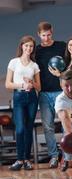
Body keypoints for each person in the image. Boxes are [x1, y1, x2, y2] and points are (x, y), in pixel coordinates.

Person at [36, 21, 72, 168]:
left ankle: (68, 157)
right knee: (48, 127)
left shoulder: (61, 46)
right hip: (44, 93)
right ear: (39, 35)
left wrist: (62, 73)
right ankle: (53, 156)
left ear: (52, 32)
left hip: (61, 93)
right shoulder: (36, 51)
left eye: (49, 35)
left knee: (66, 125)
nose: (46, 38)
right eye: (44, 35)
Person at [5, 35, 41, 170]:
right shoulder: (14, 62)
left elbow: (39, 87)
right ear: (22, 46)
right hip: (19, 97)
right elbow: (8, 84)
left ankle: (26, 159)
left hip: (32, 98)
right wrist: (22, 84)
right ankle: (19, 160)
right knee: (19, 129)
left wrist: (32, 83)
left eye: (31, 46)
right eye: (26, 45)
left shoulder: (35, 65)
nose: (28, 48)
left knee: (28, 129)